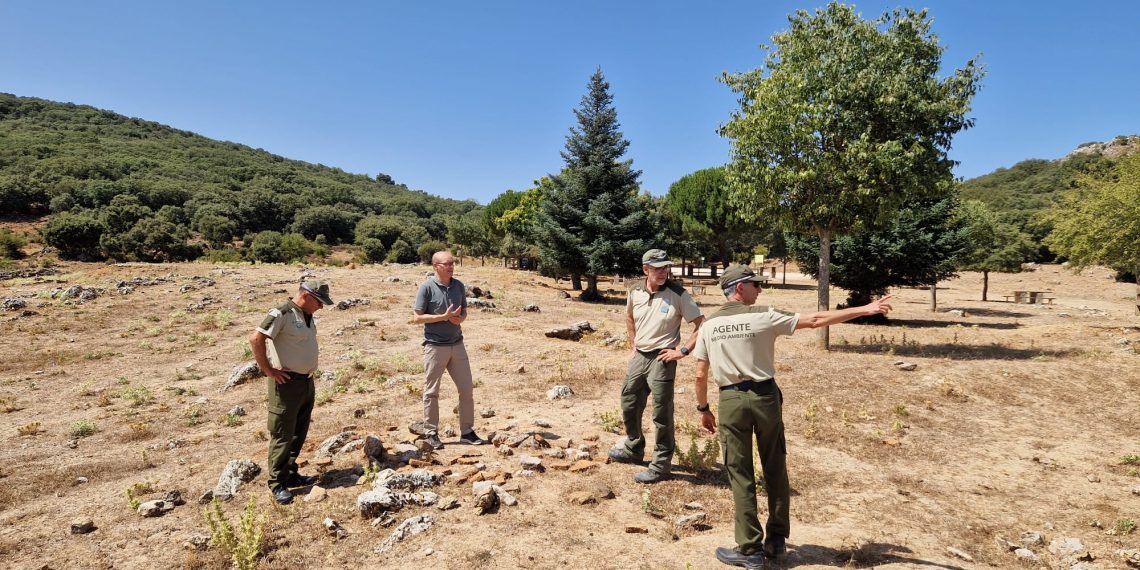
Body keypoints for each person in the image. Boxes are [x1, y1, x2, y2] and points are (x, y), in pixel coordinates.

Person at [692, 264, 892, 569]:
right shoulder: (763, 315)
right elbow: (815, 320)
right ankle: (776, 541)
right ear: (738, 289)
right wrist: (865, 309)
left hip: (731, 400)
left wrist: (703, 409)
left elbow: (700, 374)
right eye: (755, 285)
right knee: (775, 466)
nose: (760, 290)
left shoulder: (708, 326)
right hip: (765, 397)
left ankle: (749, 549)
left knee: (740, 472)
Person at [608, 249, 704, 483]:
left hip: (663, 358)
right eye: (658, 268)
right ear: (645, 270)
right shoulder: (635, 292)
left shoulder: (678, 294)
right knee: (629, 400)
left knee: (661, 412)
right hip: (640, 355)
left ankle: (661, 465)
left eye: (666, 267)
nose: (664, 272)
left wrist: (681, 351)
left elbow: (701, 325)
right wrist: (633, 345)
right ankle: (633, 447)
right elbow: (629, 317)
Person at [250, 279, 334, 505]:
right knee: (282, 433)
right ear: (306, 296)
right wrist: (269, 370)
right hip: (286, 384)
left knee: (299, 430)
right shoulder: (282, 312)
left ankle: (290, 472)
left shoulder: (307, 315)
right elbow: (256, 338)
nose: (322, 307)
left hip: (306, 382)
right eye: (319, 302)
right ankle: (277, 483)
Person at [413, 250, 486, 450]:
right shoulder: (427, 287)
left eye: (452, 263)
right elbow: (417, 317)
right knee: (431, 392)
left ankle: (467, 432)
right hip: (435, 346)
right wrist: (443, 317)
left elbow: (464, 313)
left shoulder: (459, 286)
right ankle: (431, 433)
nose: (451, 266)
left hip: (457, 344)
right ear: (436, 266)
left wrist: (458, 319)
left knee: (466, 389)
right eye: (447, 264)